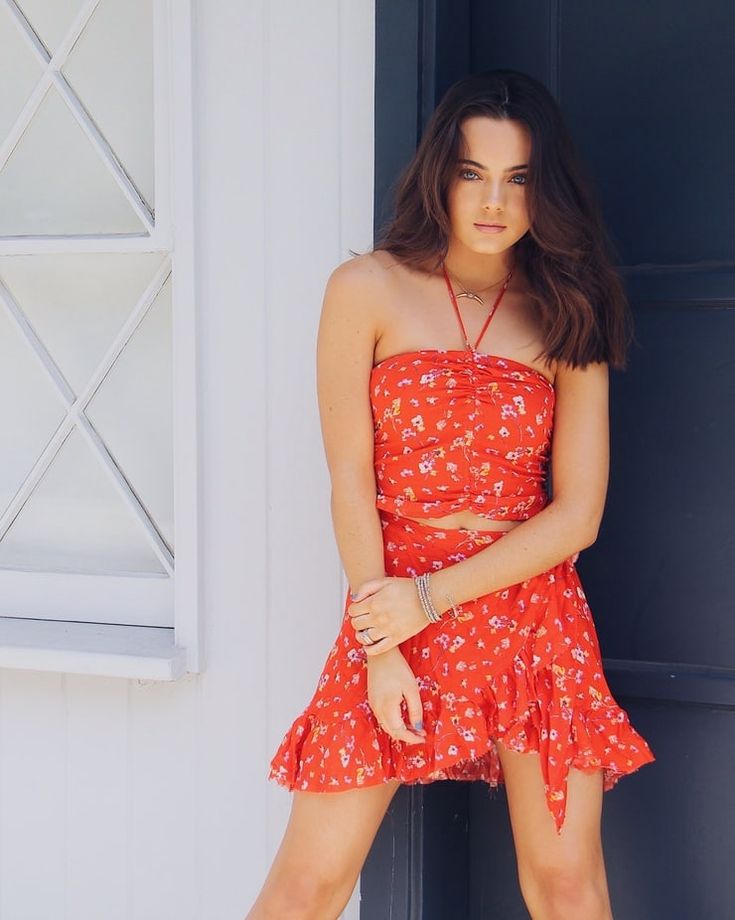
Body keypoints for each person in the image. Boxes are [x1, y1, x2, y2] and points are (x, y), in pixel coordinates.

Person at [247, 69, 655, 920]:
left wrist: (432, 599)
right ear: (439, 175)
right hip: (390, 601)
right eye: (473, 173)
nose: (494, 201)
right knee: (306, 884)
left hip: (525, 607)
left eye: (517, 179)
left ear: (546, 190)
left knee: (566, 885)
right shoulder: (365, 289)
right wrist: (383, 637)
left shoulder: (567, 310)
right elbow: (349, 480)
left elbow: (577, 515)